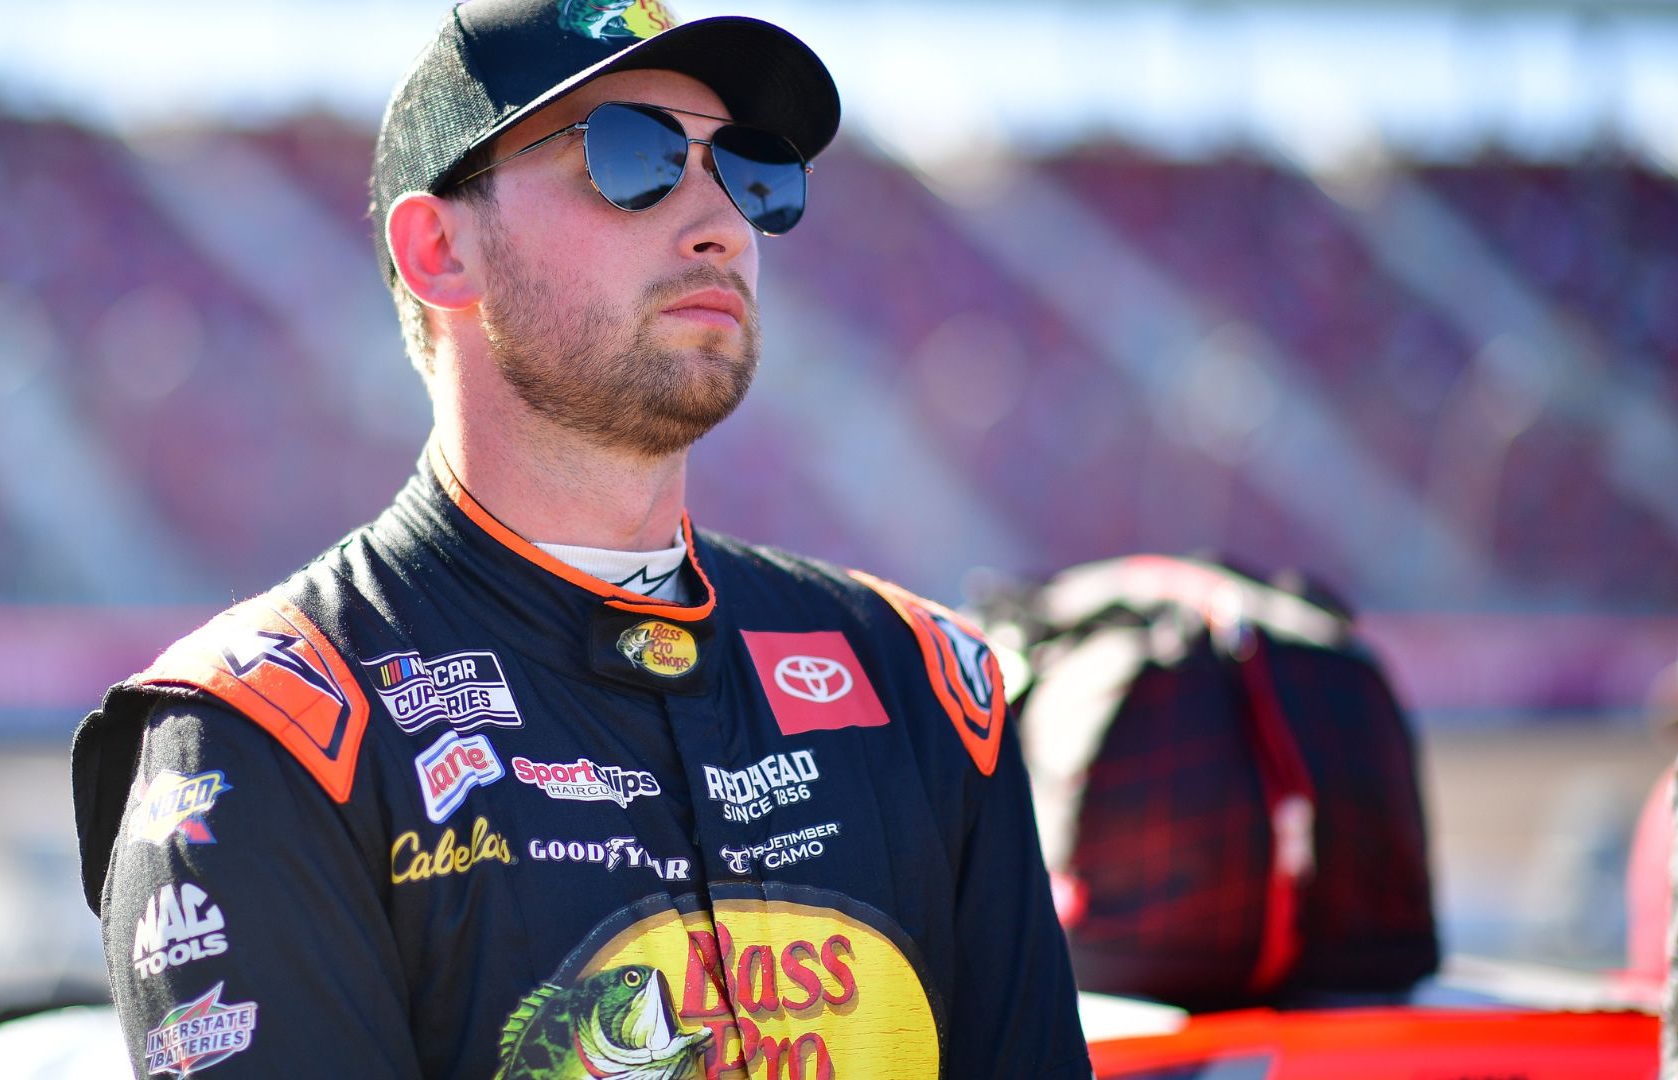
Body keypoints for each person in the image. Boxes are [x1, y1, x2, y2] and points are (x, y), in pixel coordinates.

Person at [70, 1, 1092, 1076]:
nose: (722, 224)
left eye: (749, 171)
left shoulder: (921, 684)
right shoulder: (258, 737)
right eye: (631, 158)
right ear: (440, 250)